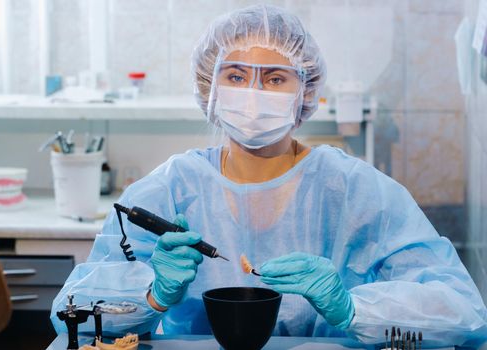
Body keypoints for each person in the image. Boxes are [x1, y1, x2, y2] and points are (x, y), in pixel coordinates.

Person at [51, 4, 487, 347]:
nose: (254, 94)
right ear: (209, 88)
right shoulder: (169, 189)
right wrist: (152, 295)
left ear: (305, 92)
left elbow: (463, 312)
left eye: (275, 78)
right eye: (236, 75)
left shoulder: (354, 189)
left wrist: (351, 308)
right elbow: (71, 313)